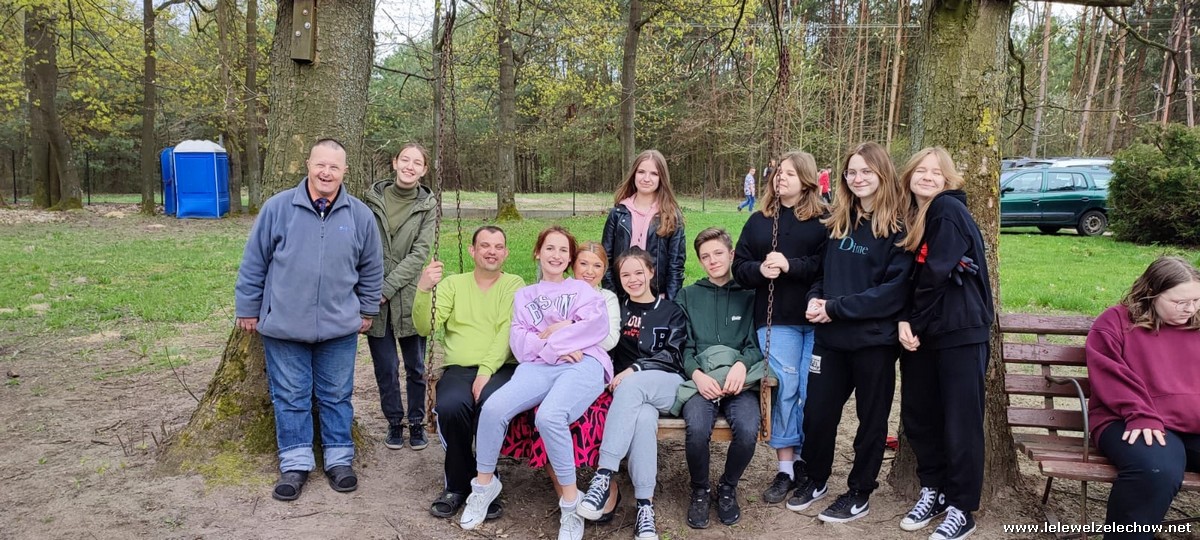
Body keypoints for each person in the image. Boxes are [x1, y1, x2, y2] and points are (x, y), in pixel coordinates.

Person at [234, 138, 384, 502]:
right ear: (308, 165)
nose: (326, 173)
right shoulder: (278, 208)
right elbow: (254, 261)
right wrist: (248, 308)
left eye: (334, 167)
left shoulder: (360, 215)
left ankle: (339, 459)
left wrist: (367, 309)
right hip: (284, 325)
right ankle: (295, 463)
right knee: (290, 396)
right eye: (320, 165)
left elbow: (371, 268)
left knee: (336, 395)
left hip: (339, 326)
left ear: (345, 171)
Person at [460, 226, 611, 540]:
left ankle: (571, 503)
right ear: (538, 253)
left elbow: (595, 326)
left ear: (569, 258)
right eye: (550, 248)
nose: (556, 255)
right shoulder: (524, 296)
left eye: (563, 250)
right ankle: (484, 486)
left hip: (583, 364)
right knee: (493, 408)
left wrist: (559, 334)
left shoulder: (582, 290)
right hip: (539, 365)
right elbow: (519, 340)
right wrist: (556, 345)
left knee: (550, 416)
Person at [795, 141, 914, 523]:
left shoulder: (899, 227)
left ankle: (860, 491)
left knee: (871, 421)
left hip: (873, 342)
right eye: (851, 172)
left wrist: (835, 308)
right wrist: (815, 299)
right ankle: (816, 478)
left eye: (866, 171)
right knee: (817, 413)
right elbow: (822, 275)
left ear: (882, 174)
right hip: (830, 340)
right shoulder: (838, 221)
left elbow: (892, 293)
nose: (858, 178)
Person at [896, 147, 994, 540]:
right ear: (908, 176)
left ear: (948, 180)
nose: (927, 177)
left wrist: (911, 321)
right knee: (921, 416)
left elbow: (936, 273)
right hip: (926, 334)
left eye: (936, 172)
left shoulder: (947, 209)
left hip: (959, 332)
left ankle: (961, 508)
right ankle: (933, 490)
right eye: (921, 170)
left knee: (960, 422)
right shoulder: (914, 217)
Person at [732, 150, 828, 505]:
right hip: (776, 321)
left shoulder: (825, 220)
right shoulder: (759, 221)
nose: (780, 178)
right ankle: (786, 467)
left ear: (806, 180)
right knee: (786, 389)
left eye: (789, 173)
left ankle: (805, 460)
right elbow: (739, 267)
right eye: (778, 173)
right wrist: (760, 270)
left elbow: (827, 266)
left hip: (817, 319)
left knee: (811, 391)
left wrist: (791, 265)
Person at [499, 241, 621, 519]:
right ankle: (567, 493)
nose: (589, 271)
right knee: (541, 416)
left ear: (604, 271)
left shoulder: (606, 298)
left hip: (589, 374)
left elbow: (609, 338)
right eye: (583, 264)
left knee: (589, 419)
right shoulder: (549, 295)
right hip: (549, 370)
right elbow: (535, 335)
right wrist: (566, 341)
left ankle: (606, 485)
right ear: (572, 265)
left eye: (597, 266)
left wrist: (568, 328)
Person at [413, 226, 525, 520]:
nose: (492, 251)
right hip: (459, 368)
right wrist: (423, 289)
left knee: (490, 406)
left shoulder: (513, 284)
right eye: (485, 245)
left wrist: (486, 371)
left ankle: (485, 483)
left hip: (500, 368)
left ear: (506, 253)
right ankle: (458, 485)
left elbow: (507, 331)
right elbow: (424, 327)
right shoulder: (453, 285)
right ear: (472, 250)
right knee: (451, 407)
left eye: (498, 247)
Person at [1086, 256, 1200, 540]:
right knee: (1155, 470)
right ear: (1152, 293)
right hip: (1131, 419)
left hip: (1193, 422)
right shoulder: (1115, 321)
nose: (1190, 309)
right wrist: (1141, 413)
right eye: (1180, 302)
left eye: (1197, 300)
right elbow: (1109, 374)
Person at [578, 247, 688, 540]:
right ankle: (644, 507)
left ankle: (603, 475)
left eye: (639, 272)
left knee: (633, 385)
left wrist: (636, 369)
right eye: (625, 274)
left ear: (651, 272)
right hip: (632, 399)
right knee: (643, 419)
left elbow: (675, 354)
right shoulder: (618, 310)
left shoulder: (671, 311)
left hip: (667, 385)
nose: (633, 279)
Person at [674, 227, 764, 529]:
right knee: (697, 428)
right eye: (705, 256)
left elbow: (756, 344)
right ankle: (700, 489)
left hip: (739, 381)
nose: (712, 261)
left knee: (748, 429)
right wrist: (696, 376)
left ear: (731, 254)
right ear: (700, 261)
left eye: (718, 253)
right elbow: (683, 347)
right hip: (703, 381)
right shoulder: (688, 295)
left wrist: (742, 364)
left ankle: (728, 486)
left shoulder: (750, 295)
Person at [365, 143, 438, 451]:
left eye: (416, 162)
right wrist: (373, 288)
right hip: (372, 293)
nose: (409, 166)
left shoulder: (426, 205)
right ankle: (395, 422)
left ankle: (417, 421)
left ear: (424, 170)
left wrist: (388, 288)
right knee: (385, 366)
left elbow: (420, 252)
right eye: (405, 159)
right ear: (395, 162)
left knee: (415, 366)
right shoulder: (372, 200)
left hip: (409, 294)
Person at [602, 149, 686, 301]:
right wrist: (613, 298)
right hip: (623, 298)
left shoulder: (671, 216)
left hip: (657, 298)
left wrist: (669, 304)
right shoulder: (618, 214)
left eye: (654, 174)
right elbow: (605, 260)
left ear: (661, 178)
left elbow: (676, 266)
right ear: (634, 174)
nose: (646, 178)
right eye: (641, 172)